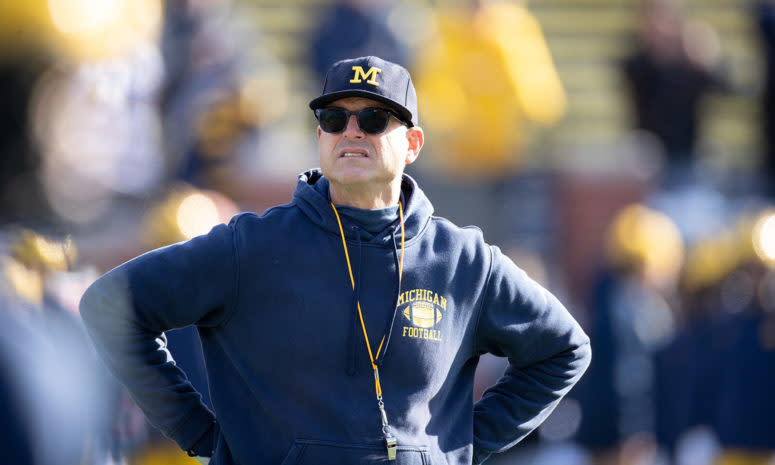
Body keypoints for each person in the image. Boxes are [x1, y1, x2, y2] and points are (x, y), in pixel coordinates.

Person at [79, 55, 591, 465]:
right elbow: (110, 307)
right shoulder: (250, 247)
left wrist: (457, 447)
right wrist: (200, 432)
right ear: (320, 136)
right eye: (333, 118)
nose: (352, 131)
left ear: (412, 143)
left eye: (373, 118)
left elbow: (564, 349)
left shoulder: (464, 260)